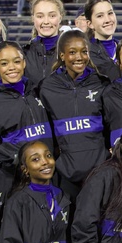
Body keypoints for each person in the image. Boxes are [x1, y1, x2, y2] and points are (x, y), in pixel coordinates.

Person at [37, 30, 108, 201]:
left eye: (84, 51)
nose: (79, 57)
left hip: (100, 172)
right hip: (65, 176)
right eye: (72, 52)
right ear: (62, 55)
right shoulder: (47, 88)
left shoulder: (102, 83)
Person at [0, 40, 53, 180]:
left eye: (16, 61)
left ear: (24, 63)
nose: (11, 67)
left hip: (49, 174)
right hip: (15, 180)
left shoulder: (38, 92)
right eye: (4, 63)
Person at [23, 0, 66, 86]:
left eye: (52, 16)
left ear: (60, 17)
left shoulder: (70, 51)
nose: (46, 21)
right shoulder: (23, 54)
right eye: (40, 16)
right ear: (33, 18)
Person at [81, 0, 120, 80]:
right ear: (90, 24)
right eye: (100, 16)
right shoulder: (84, 53)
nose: (107, 20)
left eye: (110, 13)